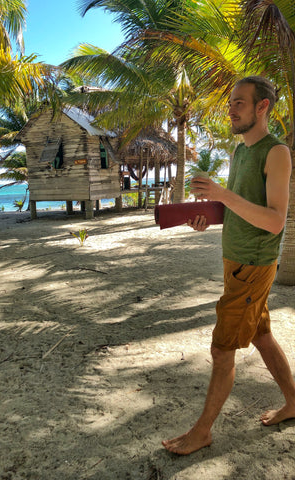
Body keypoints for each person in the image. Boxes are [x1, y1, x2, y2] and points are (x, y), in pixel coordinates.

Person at [162, 76, 295, 455]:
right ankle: (294, 401)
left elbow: (274, 220)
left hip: (253, 264)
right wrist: (207, 214)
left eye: (239, 102)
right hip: (235, 260)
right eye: (231, 103)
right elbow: (239, 206)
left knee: (223, 350)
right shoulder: (239, 153)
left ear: (262, 107)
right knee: (262, 334)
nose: (231, 108)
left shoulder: (276, 153)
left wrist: (222, 194)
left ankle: (202, 431)